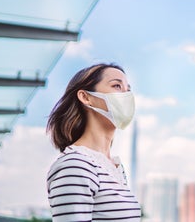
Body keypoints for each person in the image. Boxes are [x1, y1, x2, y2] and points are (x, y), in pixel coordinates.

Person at [46, 63, 141, 221]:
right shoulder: (75, 164)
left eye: (128, 90)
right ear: (86, 97)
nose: (126, 96)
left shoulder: (114, 167)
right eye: (117, 86)